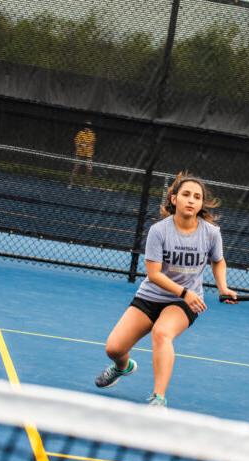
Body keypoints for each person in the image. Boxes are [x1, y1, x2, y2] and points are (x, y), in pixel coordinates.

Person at [94, 172, 237, 407]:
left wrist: (223, 287)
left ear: (202, 203)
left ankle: (158, 398)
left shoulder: (211, 233)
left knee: (162, 333)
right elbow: (154, 274)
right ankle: (123, 367)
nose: (191, 200)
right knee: (114, 348)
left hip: (183, 304)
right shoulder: (159, 231)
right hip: (153, 296)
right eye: (186, 195)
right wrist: (184, 292)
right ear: (174, 199)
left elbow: (218, 260)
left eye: (197, 197)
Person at [68, 121, 96, 190]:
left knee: (89, 169)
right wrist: (81, 145)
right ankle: (71, 184)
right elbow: (76, 143)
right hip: (80, 154)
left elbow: (92, 145)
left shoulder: (92, 135)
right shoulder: (80, 133)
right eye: (86, 126)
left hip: (88, 155)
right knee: (76, 168)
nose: (87, 128)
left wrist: (90, 154)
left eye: (89, 127)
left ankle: (86, 185)